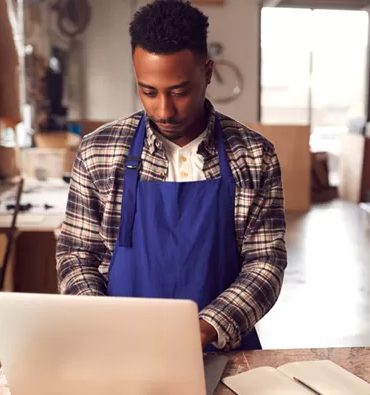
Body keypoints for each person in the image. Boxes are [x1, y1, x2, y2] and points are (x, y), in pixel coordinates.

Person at [55, 0, 287, 352]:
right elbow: (76, 255)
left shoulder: (254, 157)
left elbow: (265, 262)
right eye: (148, 91)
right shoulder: (98, 152)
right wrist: (99, 318)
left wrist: (210, 325)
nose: (163, 110)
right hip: (122, 350)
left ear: (207, 73)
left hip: (223, 351)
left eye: (179, 91)